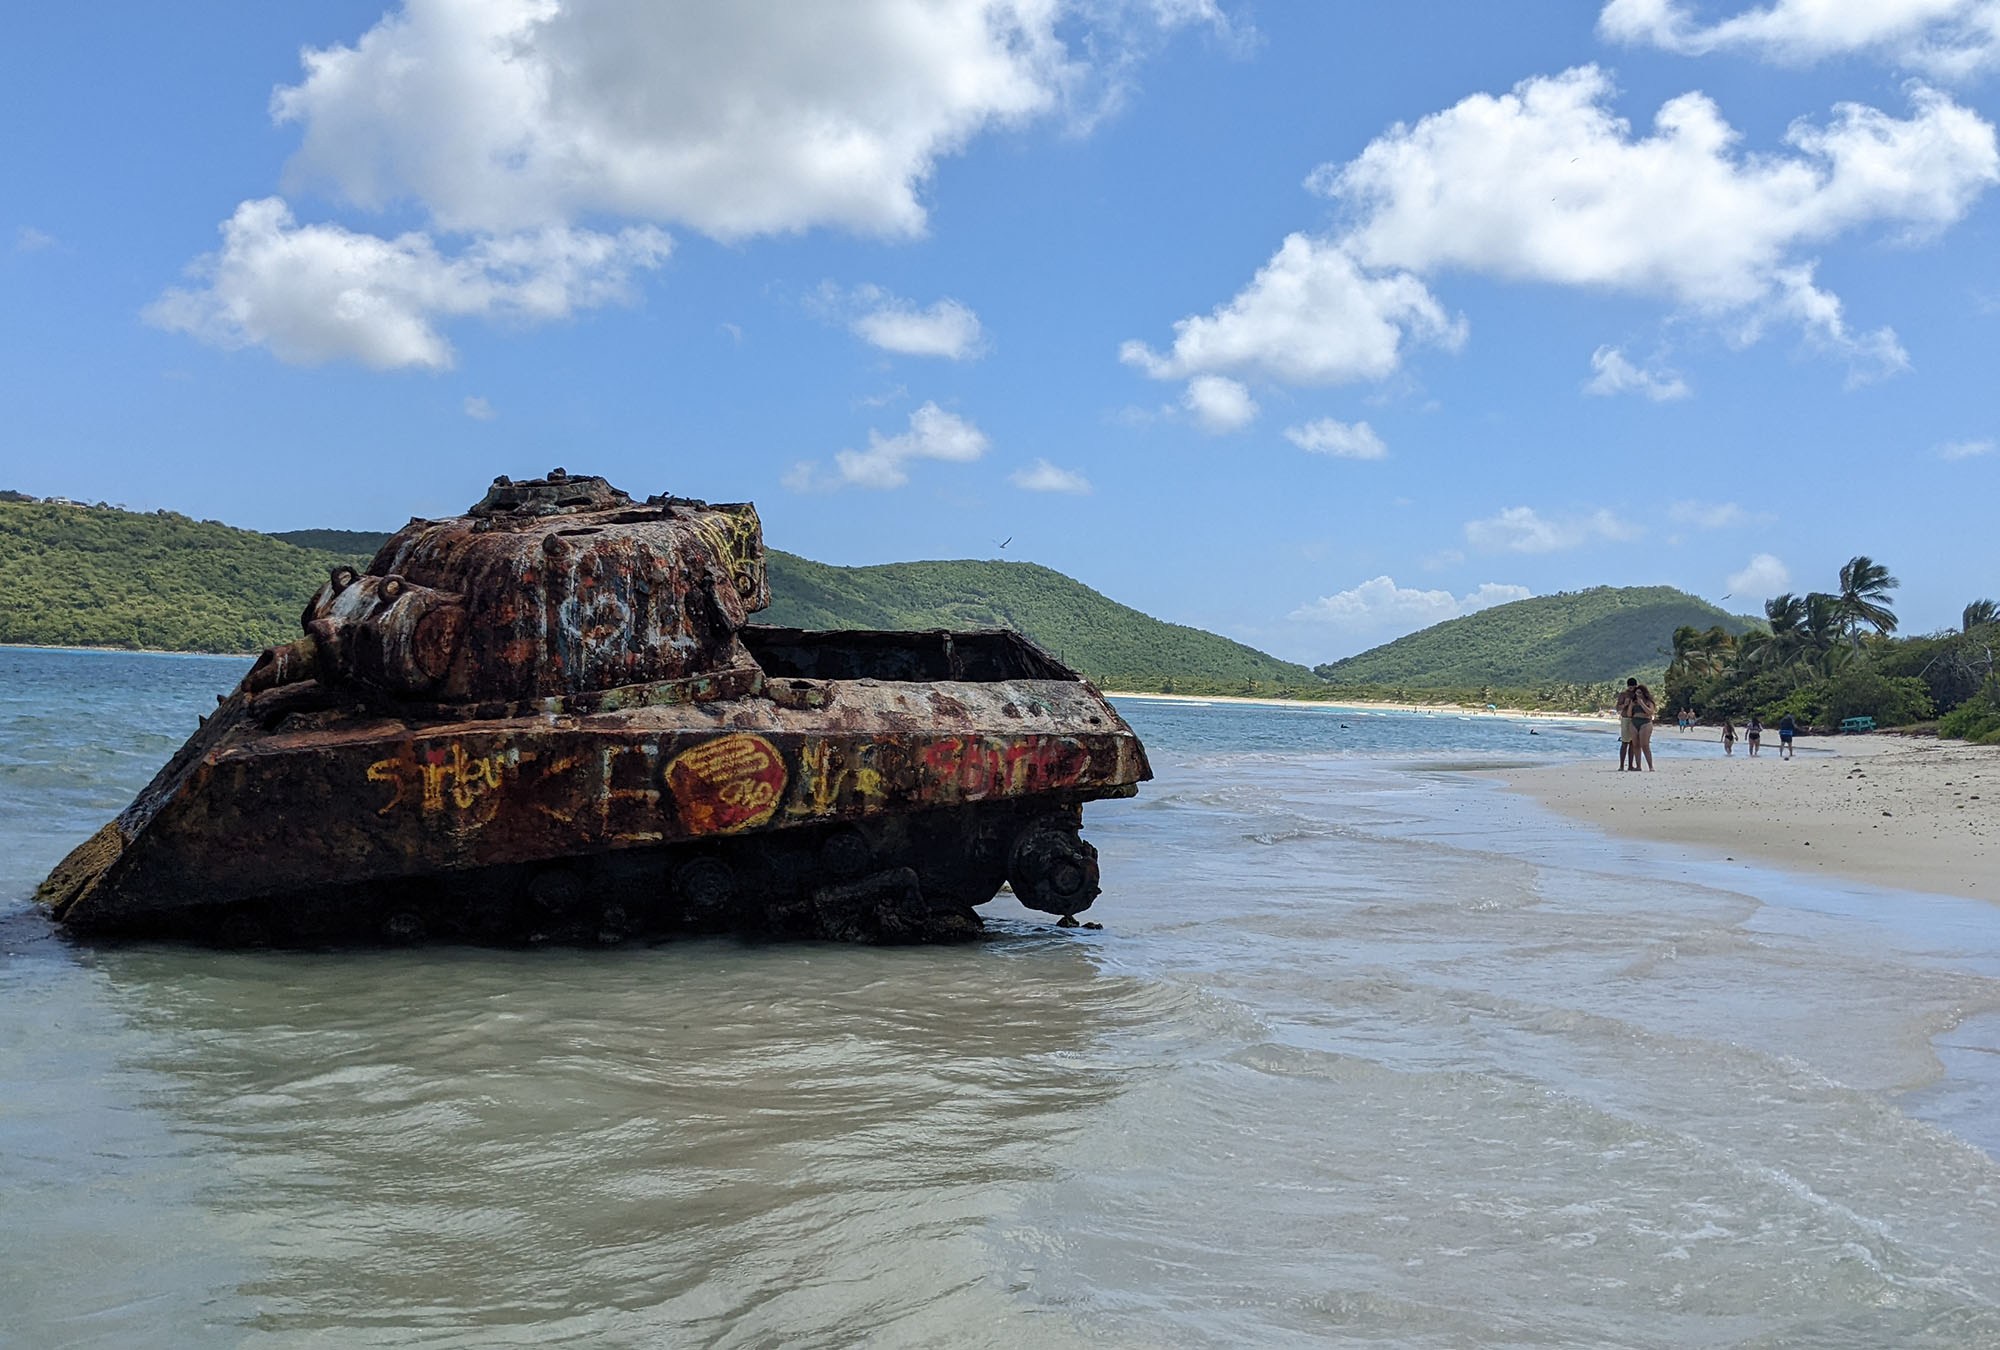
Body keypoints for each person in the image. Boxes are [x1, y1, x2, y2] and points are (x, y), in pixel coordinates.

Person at [1629, 682, 1658, 771]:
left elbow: (1650, 712)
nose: (1638, 695)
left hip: (1645, 722)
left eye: (1640, 693)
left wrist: (1642, 704)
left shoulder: (1648, 702)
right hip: (1634, 721)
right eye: (1636, 693)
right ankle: (1638, 766)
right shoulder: (1633, 702)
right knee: (1636, 745)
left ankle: (1650, 766)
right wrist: (1631, 705)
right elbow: (1629, 714)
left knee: (1645, 745)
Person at [1615, 678, 1637, 771]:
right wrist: (1625, 704)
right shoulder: (1623, 694)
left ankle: (1630, 765)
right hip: (1625, 719)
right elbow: (1617, 708)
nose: (1631, 688)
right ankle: (1621, 765)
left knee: (1633, 743)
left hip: (1635, 719)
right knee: (1625, 742)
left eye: (1633, 686)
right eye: (1630, 686)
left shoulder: (1637, 694)